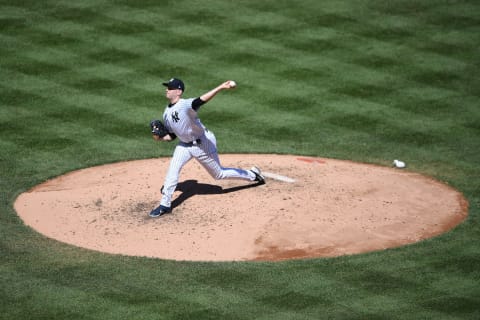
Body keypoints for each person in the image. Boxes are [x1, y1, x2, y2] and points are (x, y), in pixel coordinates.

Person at [149, 78, 265, 218]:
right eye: (167, 87)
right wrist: (159, 138)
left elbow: (201, 100)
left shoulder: (185, 105)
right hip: (184, 146)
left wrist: (220, 87)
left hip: (203, 144)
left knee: (219, 174)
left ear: (178, 91)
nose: (167, 89)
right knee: (173, 169)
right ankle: (165, 204)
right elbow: (172, 136)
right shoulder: (166, 113)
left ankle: (253, 175)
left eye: (170, 88)